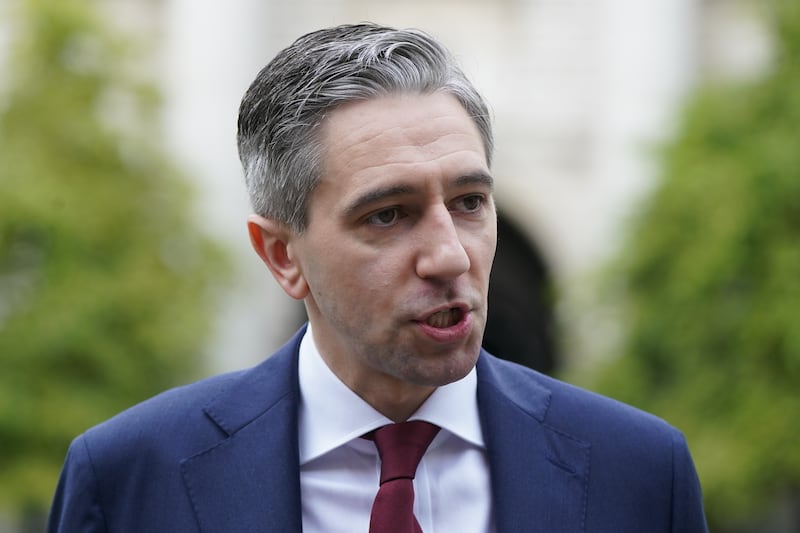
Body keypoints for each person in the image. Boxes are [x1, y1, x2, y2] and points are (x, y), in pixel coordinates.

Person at [48, 23, 708, 532]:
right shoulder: (129, 477)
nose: (450, 255)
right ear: (282, 255)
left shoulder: (642, 471)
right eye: (388, 215)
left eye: (469, 202)